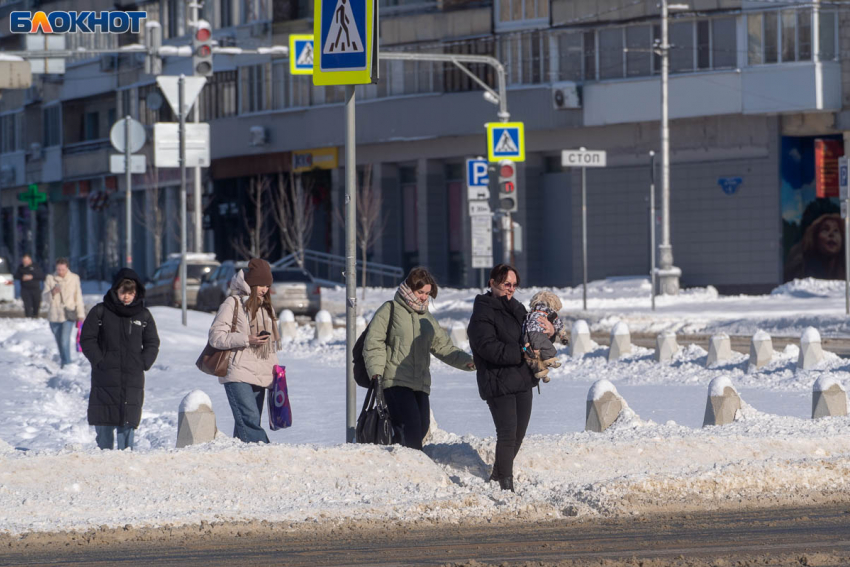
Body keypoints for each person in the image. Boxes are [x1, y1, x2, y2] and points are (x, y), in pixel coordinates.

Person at [364, 267, 475, 451]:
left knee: (421, 428)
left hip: (420, 384)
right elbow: (373, 341)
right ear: (409, 288)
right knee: (411, 430)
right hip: (395, 381)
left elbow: (443, 347)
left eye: (427, 294)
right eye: (420, 292)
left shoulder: (427, 319)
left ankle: (400, 464)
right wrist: (376, 372)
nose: (424, 297)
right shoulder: (390, 309)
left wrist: (468, 361)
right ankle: (413, 470)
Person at [467, 264, 555, 492]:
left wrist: (549, 333)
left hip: (522, 379)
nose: (511, 289)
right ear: (493, 282)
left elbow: (532, 337)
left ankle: (497, 475)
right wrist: (521, 352)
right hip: (497, 381)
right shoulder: (482, 312)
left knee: (518, 434)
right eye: (507, 284)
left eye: (515, 285)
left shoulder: (518, 309)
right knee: (506, 434)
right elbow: (487, 347)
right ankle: (506, 485)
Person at [80, 269, 160, 450]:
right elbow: (87, 339)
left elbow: (152, 342)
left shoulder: (143, 315)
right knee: (105, 420)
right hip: (105, 377)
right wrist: (99, 360)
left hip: (132, 377)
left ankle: (126, 460)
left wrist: (144, 362)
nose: (127, 297)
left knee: (128, 419)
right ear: (116, 290)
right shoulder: (100, 311)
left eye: (131, 293)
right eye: (123, 292)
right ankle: (104, 460)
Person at [208, 258, 281, 443]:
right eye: (260, 284)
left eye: (267, 285)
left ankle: (240, 460)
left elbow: (271, 346)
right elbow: (216, 336)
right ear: (250, 283)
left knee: (247, 422)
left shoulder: (266, 307)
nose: (264, 289)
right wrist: (246, 339)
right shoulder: (233, 303)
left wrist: (276, 373)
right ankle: (266, 456)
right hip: (237, 370)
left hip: (261, 371)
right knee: (249, 420)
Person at [42, 258, 85, 368]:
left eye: (63, 269)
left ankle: (67, 363)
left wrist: (80, 314)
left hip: (68, 314)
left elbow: (78, 297)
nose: (60, 271)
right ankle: (64, 361)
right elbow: (44, 298)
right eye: (58, 269)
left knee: (64, 340)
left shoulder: (74, 278)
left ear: (67, 268)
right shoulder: (50, 278)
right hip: (54, 315)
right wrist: (52, 292)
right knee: (59, 341)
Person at [520, 291, 569, 383]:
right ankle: (549, 361)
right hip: (538, 335)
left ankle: (541, 372)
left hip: (526, 337)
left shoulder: (531, 312)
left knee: (532, 357)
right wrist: (563, 336)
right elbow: (559, 325)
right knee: (549, 349)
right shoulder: (549, 312)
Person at [14, 254, 45, 318]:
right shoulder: (21, 267)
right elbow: (16, 276)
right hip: (25, 289)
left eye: (26, 260)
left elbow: (42, 276)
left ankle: (35, 315)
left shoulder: (35, 266)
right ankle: (28, 317)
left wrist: (32, 277)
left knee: (36, 303)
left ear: (30, 260)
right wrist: (22, 277)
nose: (25, 262)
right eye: (24, 261)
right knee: (27, 304)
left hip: (35, 289)